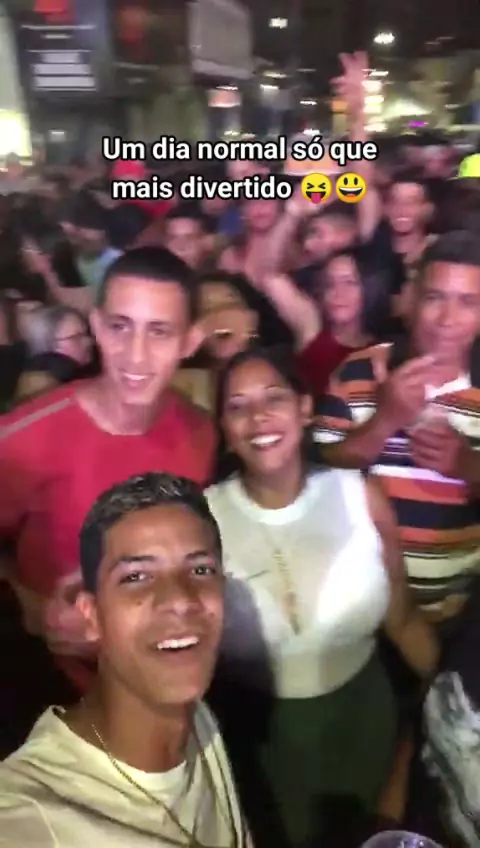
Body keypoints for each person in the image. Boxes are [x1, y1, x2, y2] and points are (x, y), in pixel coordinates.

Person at [206, 347, 437, 848]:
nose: (258, 416)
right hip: (260, 747)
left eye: (274, 397)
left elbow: (403, 620)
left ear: (305, 407)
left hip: (366, 724)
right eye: (237, 406)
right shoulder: (203, 523)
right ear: (224, 427)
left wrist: (455, 697)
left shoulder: (360, 495)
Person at [0, 247, 215, 694]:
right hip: (51, 689)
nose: (135, 355)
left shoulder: (201, 433)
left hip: (163, 681)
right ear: (96, 325)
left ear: (190, 341)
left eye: (159, 331)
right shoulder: (22, 440)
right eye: (120, 327)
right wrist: (34, 610)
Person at [0, 472, 252, 848]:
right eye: (136, 576)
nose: (180, 599)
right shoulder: (32, 815)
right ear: (91, 617)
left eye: (200, 569)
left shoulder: (198, 717)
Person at [314, 231, 480, 630]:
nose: (447, 319)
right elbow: (315, 472)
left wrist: (467, 465)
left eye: (468, 303)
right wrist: (383, 421)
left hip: (459, 614)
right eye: (435, 297)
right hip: (352, 610)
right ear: (412, 299)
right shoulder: (359, 370)